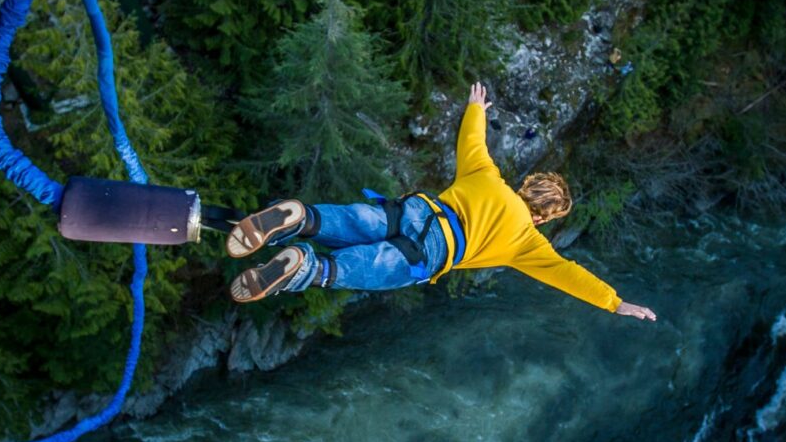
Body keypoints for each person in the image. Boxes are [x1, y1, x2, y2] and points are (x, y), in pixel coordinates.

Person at [225, 82, 657, 321]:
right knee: (357, 269)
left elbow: (472, 140)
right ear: (543, 217)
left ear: (527, 185)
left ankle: (301, 217)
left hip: (417, 210)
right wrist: (615, 302)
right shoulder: (528, 243)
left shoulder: (487, 176)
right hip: (432, 252)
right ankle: (306, 266)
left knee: (358, 220)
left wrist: (477, 108)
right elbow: (568, 275)